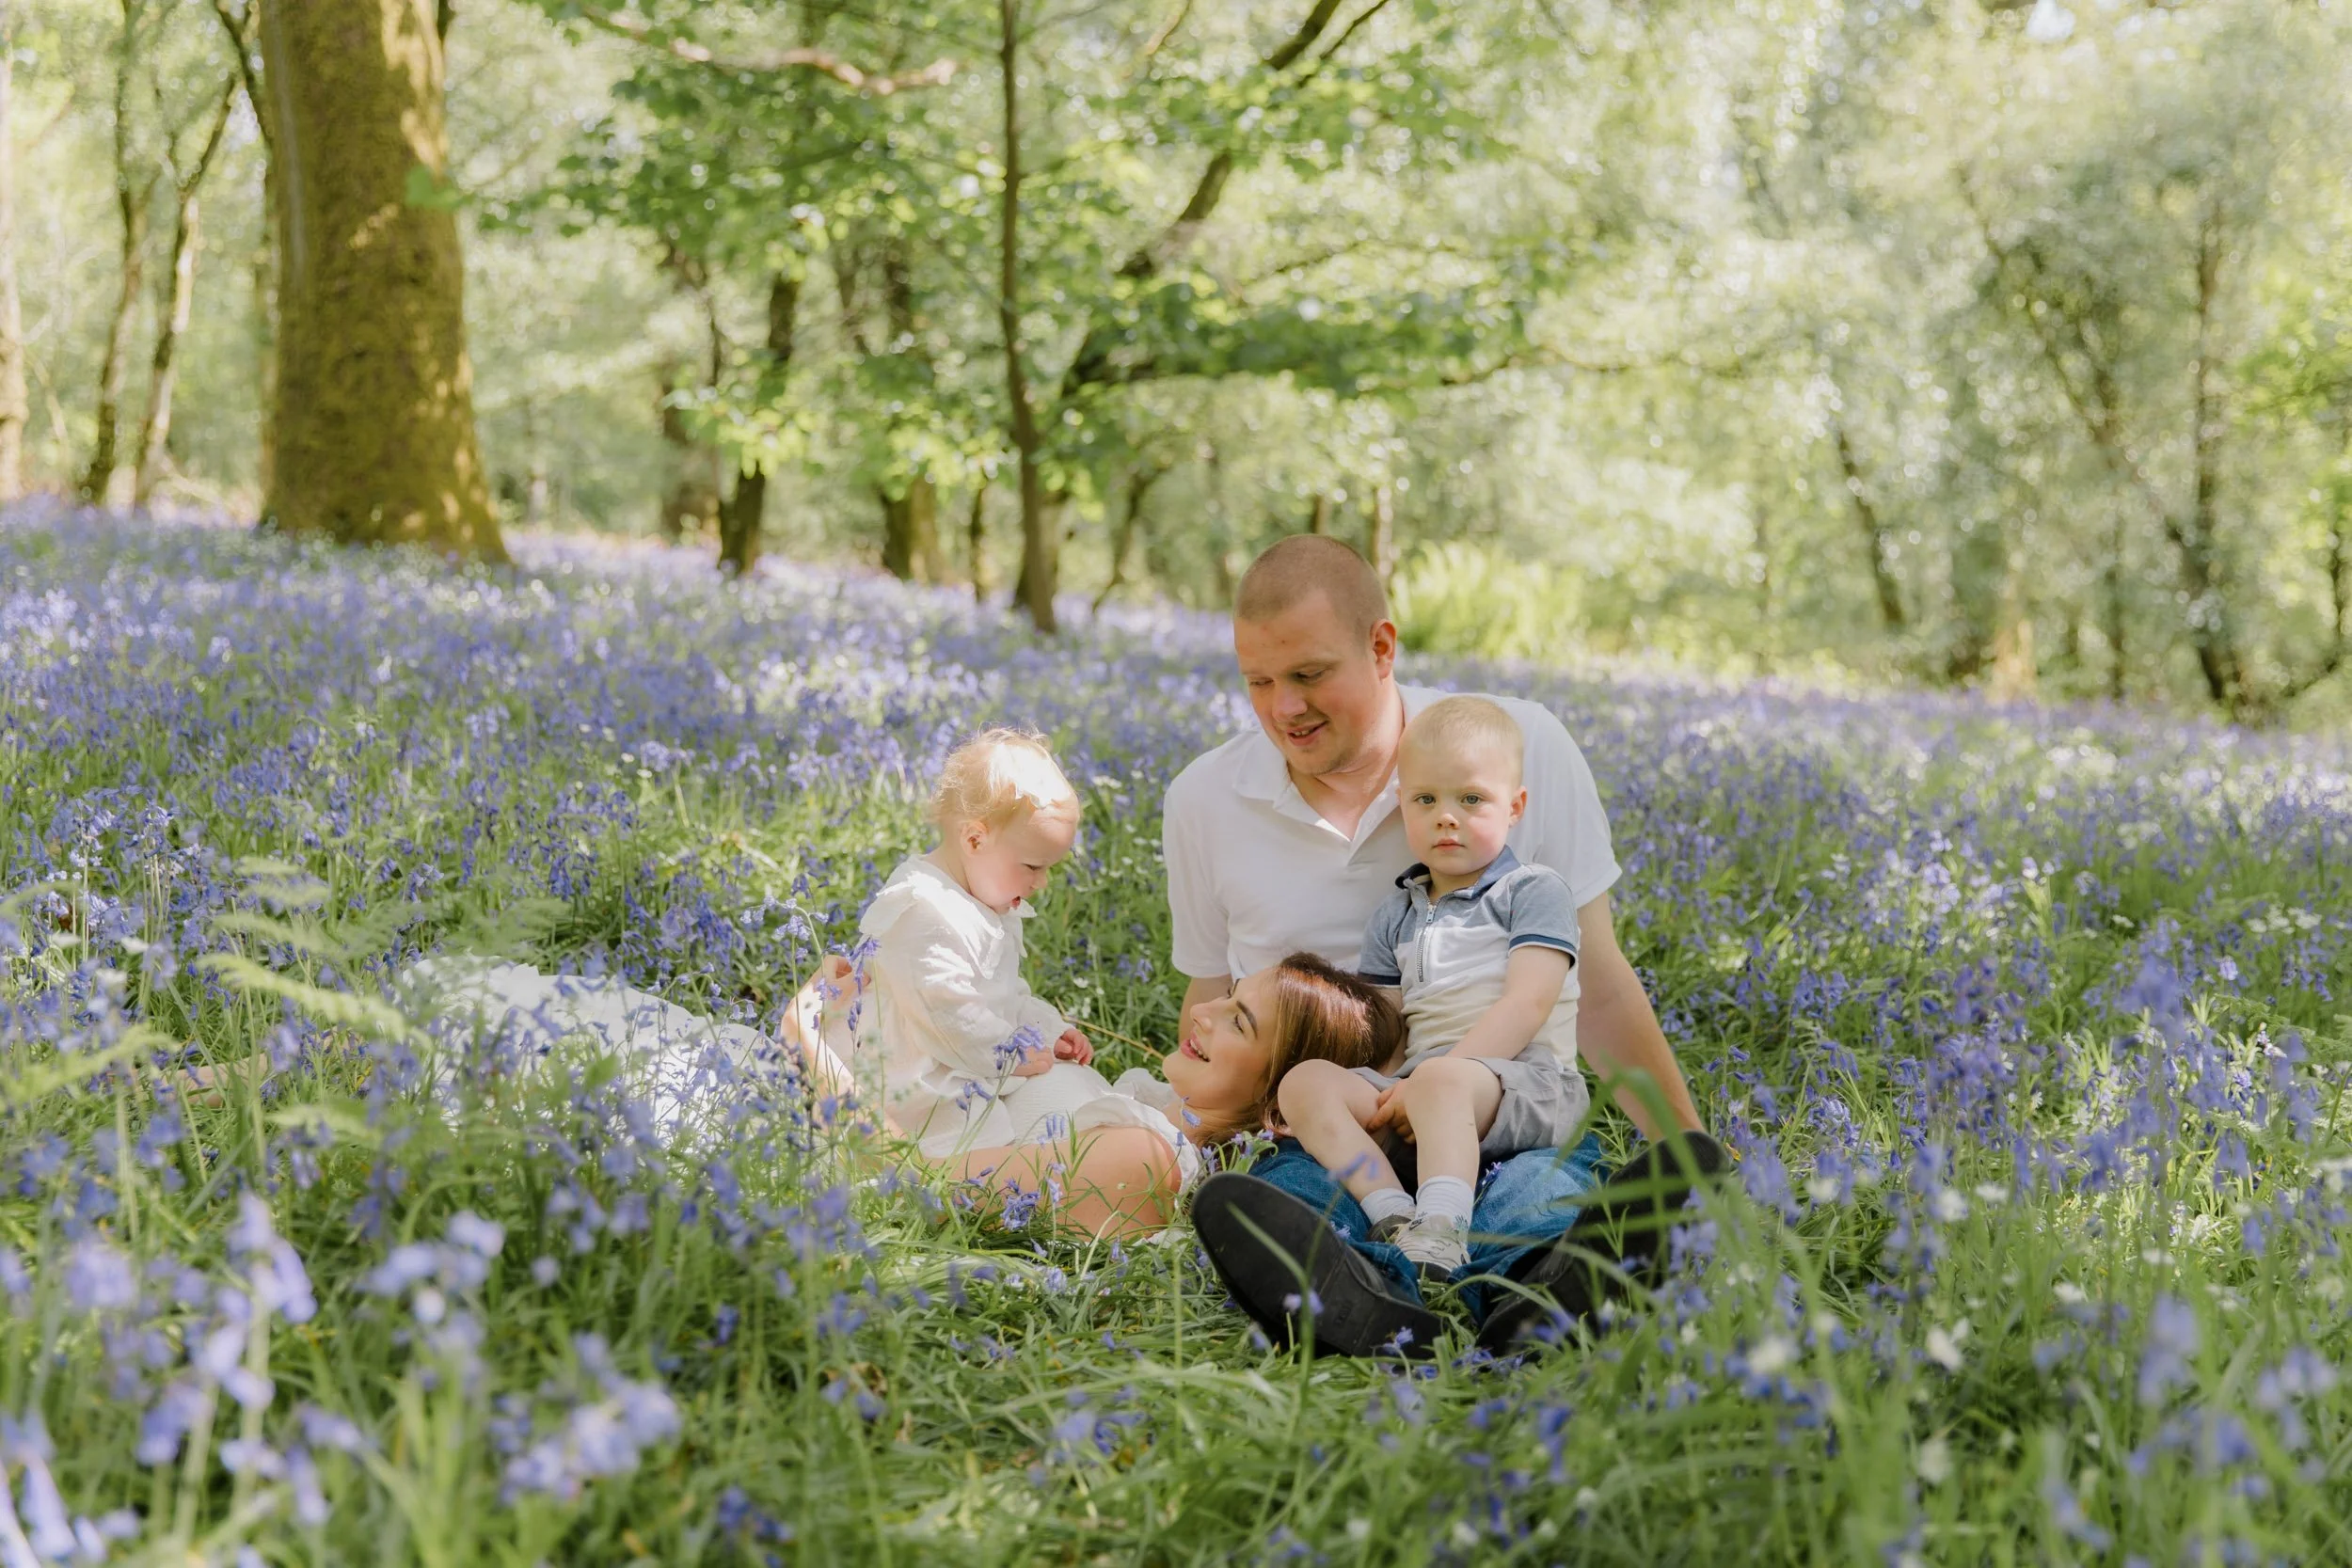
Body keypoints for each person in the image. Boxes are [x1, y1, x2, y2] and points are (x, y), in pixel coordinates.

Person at [1165, 534, 1717, 1354]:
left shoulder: (1509, 749)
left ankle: (1542, 1290)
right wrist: (1175, 1135)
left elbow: (1593, 984)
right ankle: (1358, 1295)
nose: (1284, 708)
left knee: (1537, 1182)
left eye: (1310, 675)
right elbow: (1211, 1006)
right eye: (1258, 681)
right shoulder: (1204, 799)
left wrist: (1696, 1158)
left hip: (1506, 1095)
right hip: (1360, 1120)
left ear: (1381, 647)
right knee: (1301, 1179)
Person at [1275, 695, 1586, 1279]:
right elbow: (1388, 1032)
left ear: (1514, 806)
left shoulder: (1532, 889)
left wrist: (1429, 1081)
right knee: (1307, 1081)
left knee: (1444, 1080)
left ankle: (1441, 1236)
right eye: (1426, 799)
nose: (1447, 816)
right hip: (1425, 1092)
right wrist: (1389, 1091)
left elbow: (1528, 1001)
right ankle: (1390, 1211)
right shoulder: (1394, 916)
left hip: (1528, 1083)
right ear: (1403, 807)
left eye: (1471, 799)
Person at [852, 727, 1102, 1159]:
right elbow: (948, 1013)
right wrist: (1010, 1054)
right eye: (1032, 865)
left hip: (964, 1055)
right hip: (914, 1073)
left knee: (1031, 1119)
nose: (1041, 882)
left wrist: (1046, 1030)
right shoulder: (923, 909)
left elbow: (1003, 993)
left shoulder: (985, 898)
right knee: (978, 1142)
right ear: (974, 839)